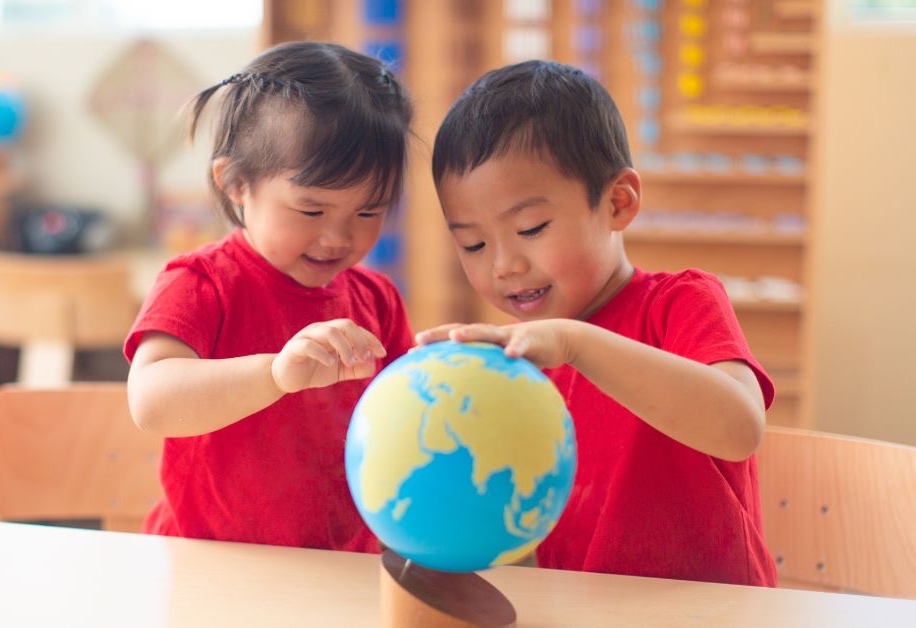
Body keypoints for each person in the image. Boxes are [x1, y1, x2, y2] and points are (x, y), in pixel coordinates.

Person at [416, 60, 777, 586]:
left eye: (531, 227)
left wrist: (577, 343)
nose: (504, 265)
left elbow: (739, 428)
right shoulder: (521, 362)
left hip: (712, 613)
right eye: (473, 243)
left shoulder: (680, 301)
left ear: (617, 202)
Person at [123, 42, 414, 552]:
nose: (338, 238)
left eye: (368, 212)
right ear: (235, 182)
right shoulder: (201, 283)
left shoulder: (376, 299)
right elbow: (152, 401)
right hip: (212, 563)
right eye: (310, 210)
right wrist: (275, 374)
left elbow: (405, 422)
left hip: (342, 570)